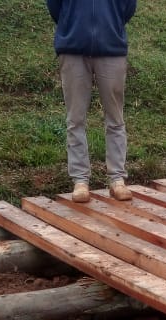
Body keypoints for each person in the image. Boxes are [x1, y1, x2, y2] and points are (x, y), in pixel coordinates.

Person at [46, 0, 137, 203]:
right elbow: (55, 5)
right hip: (73, 49)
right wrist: (71, 24)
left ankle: (117, 180)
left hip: (111, 49)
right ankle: (80, 181)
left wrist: (111, 24)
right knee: (75, 119)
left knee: (115, 118)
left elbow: (128, 6)